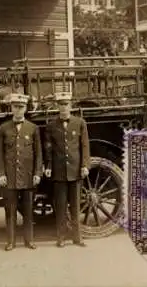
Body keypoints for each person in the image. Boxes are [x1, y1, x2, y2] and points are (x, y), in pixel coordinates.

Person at [0, 93, 43, 251]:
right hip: (10, 177)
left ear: (25, 109)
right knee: (10, 211)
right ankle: (11, 241)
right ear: (11, 108)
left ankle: (29, 240)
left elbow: (38, 153)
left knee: (28, 211)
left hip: (28, 176)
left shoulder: (33, 128)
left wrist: (37, 173)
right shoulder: (3, 128)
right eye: (15, 107)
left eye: (21, 107)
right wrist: (1, 174)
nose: (18, 110)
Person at [44, 91, 90, 248]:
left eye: (66, 104)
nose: (63, 108)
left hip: (75, 171)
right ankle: (61, 238)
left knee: (76, 207)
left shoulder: (79, 123)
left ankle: (78, 238)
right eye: (60, 104)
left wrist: (85, 165)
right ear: (57, 106)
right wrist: (49, 166)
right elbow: (48, 148)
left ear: (71, 106)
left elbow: (84, 146)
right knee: (61, 207)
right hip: (59, 172)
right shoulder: (51, 126)